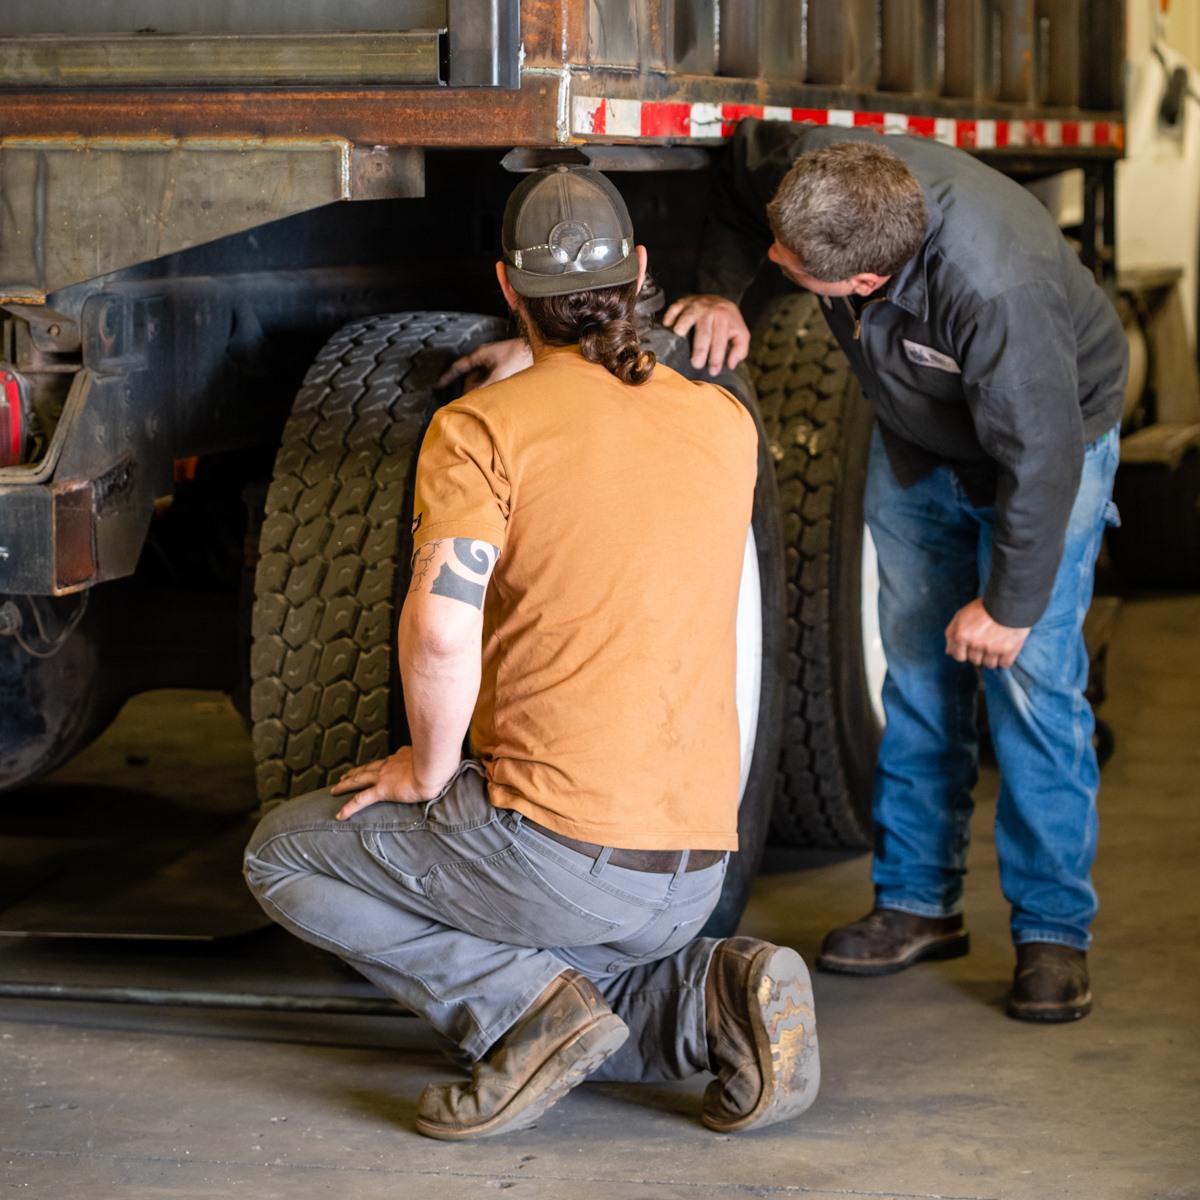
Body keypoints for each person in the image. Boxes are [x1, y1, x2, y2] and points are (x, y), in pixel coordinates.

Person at [243, 163, 820, 1139]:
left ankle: (526, 1014)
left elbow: (438, 625)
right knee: (564, 942)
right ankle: (711, 996)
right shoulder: (720, 421)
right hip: (693, 873)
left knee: (283, 855)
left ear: (508, 291)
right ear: (638, 271)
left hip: (560, 861)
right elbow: (615, 446)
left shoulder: (480, 430)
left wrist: (425, 770)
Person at [664, 119, 1127, 1023]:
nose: (774, 259)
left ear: (865, 281)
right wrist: (720, 291)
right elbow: (734, 180)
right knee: (914, 668)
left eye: (791, 268)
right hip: (919, 438)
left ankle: (1053, 934)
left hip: (1054, 442)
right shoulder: (808, 171)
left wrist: (1007, 605)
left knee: (1031, 684)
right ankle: (919, 903)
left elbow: (1041, 459)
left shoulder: (1000, 289)